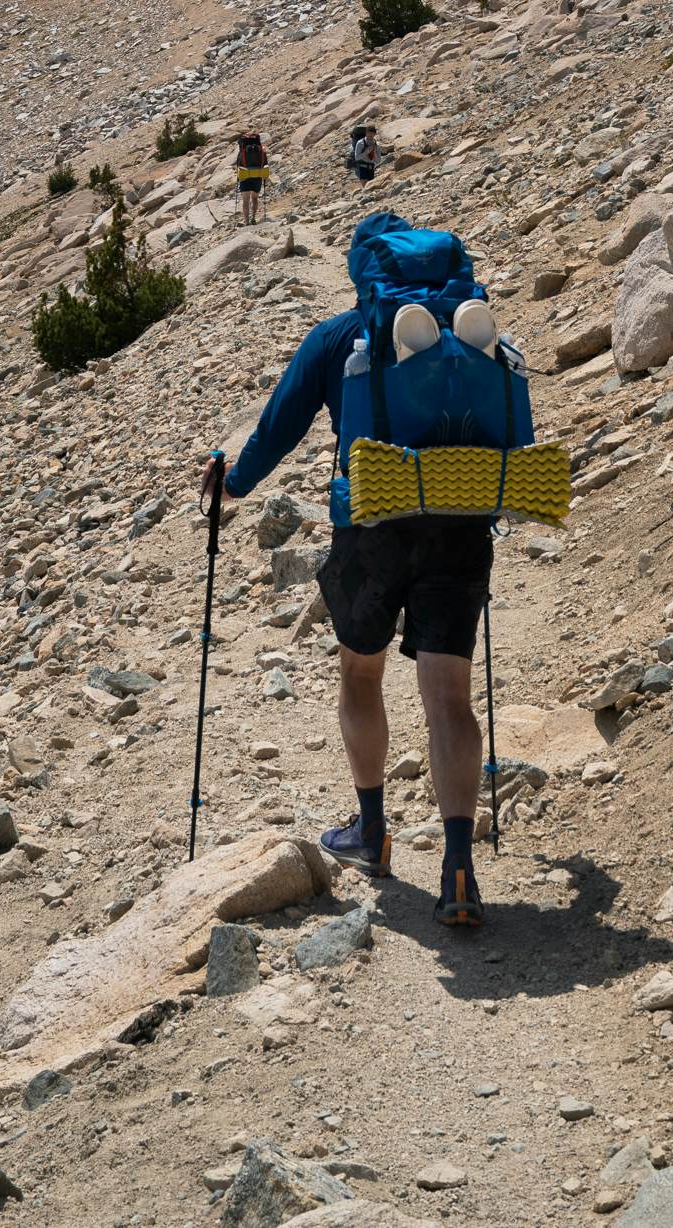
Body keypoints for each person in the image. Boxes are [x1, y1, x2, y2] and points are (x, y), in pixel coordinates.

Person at [200, 214, 491, 930]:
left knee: (361, 673)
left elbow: (280, 425)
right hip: (460, 520)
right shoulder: (474, 337)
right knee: (449, 697)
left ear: (365, 273)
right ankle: (459, 866)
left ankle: (370, 830)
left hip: (370, 525)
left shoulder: (340, 338)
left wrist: (231, 485)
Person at [233, 128, 269, 224]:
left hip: (245, 176)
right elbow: (265, 163)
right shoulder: (260, 149)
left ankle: (246, 221)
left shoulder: (243, 149)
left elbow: (238, 164)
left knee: (245, 200)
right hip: (257, 176)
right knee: (254, 198)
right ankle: (253, 218)